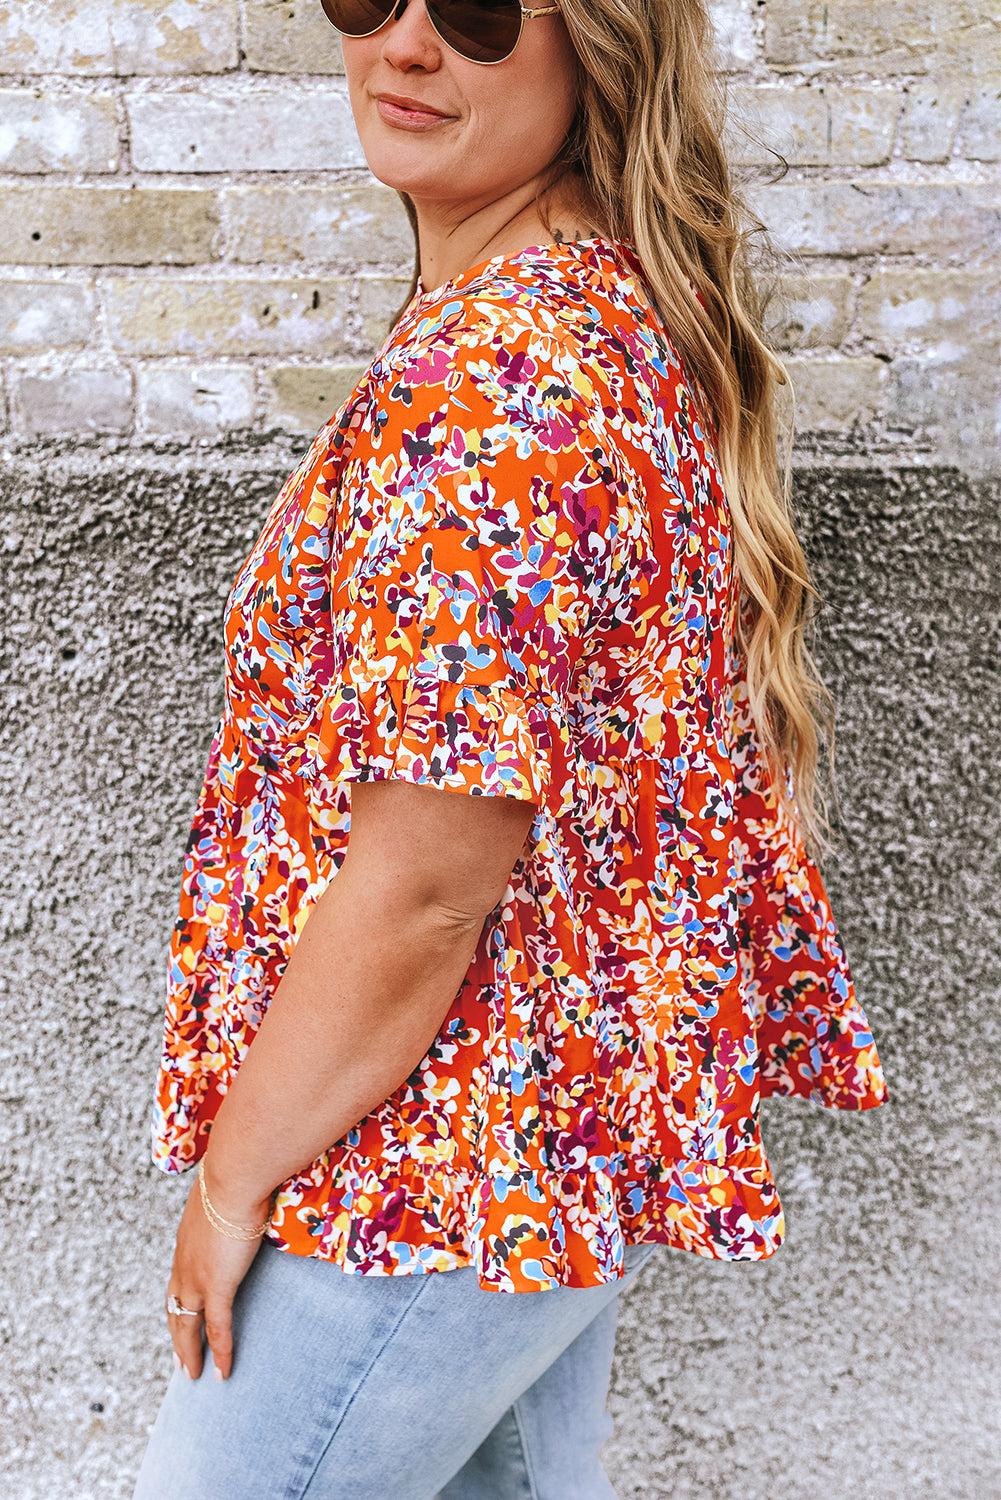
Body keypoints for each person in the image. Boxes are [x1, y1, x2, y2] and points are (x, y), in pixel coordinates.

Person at [133, 0, 887, 1493]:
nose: (403, 48)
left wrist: (229, 1190)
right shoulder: (581, 316)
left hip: (433, 1167)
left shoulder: (492, 395)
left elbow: (426, 885)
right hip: (533, 1144)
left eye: (478, 12)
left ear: (597, 52)